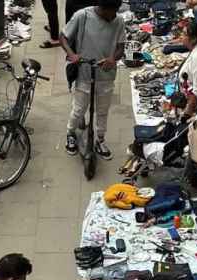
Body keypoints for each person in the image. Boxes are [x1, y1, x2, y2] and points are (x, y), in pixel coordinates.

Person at [61, 0, 126, 161]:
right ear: (102, 8)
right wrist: (72, 55)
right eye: (112, 12)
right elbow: (63, 37)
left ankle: (100, 139)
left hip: (106, 75)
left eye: (116, 11)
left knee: (102, 111)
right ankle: (70, 133)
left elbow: (120, 48)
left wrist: (112, 59)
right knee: (79, 109)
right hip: (84, 73)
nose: (114, 16)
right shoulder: (82, 16)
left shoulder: (118, 21)